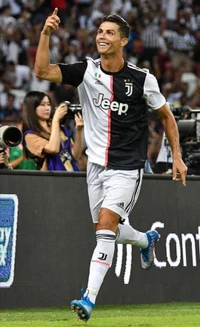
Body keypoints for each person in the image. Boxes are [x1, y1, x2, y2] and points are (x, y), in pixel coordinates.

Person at [34, 9, 188, 322]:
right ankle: (146, 240)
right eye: (100, 31)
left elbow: (167, 118)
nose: (101, 36)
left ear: (123, 41)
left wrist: (178, 157)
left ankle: (88, 300)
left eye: (109, 33)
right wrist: (46, 34)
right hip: (95, 165)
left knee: (105, 229)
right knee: (109, 231)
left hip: (128, 167)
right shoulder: (85, 71)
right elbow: (42, 72)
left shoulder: (143, 80)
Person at [22, 90, 84, 171]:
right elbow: (53, 149)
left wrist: (79, 130)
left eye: (48, 104)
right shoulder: (30, 135)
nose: (47, 108)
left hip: (72, 174)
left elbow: (76, 156)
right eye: (42, 105)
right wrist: (56, 120)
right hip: (52, 179)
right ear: (32, 108)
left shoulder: (60, 127)